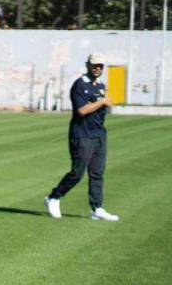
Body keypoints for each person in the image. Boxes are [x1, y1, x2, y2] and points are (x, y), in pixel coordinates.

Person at [44, 53, 121, 221]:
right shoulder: (79, 85)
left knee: (97, 173)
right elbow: (82, 110)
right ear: (87, 65)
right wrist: (102, 102)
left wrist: (108, 104)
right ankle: (54, 197)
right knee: (77, 173)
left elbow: (104, 107)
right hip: (82, 135)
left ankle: (97, 208)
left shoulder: (101, 85)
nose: (97, 68)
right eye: (94, 65)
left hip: (99, 135)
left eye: (100, 65)